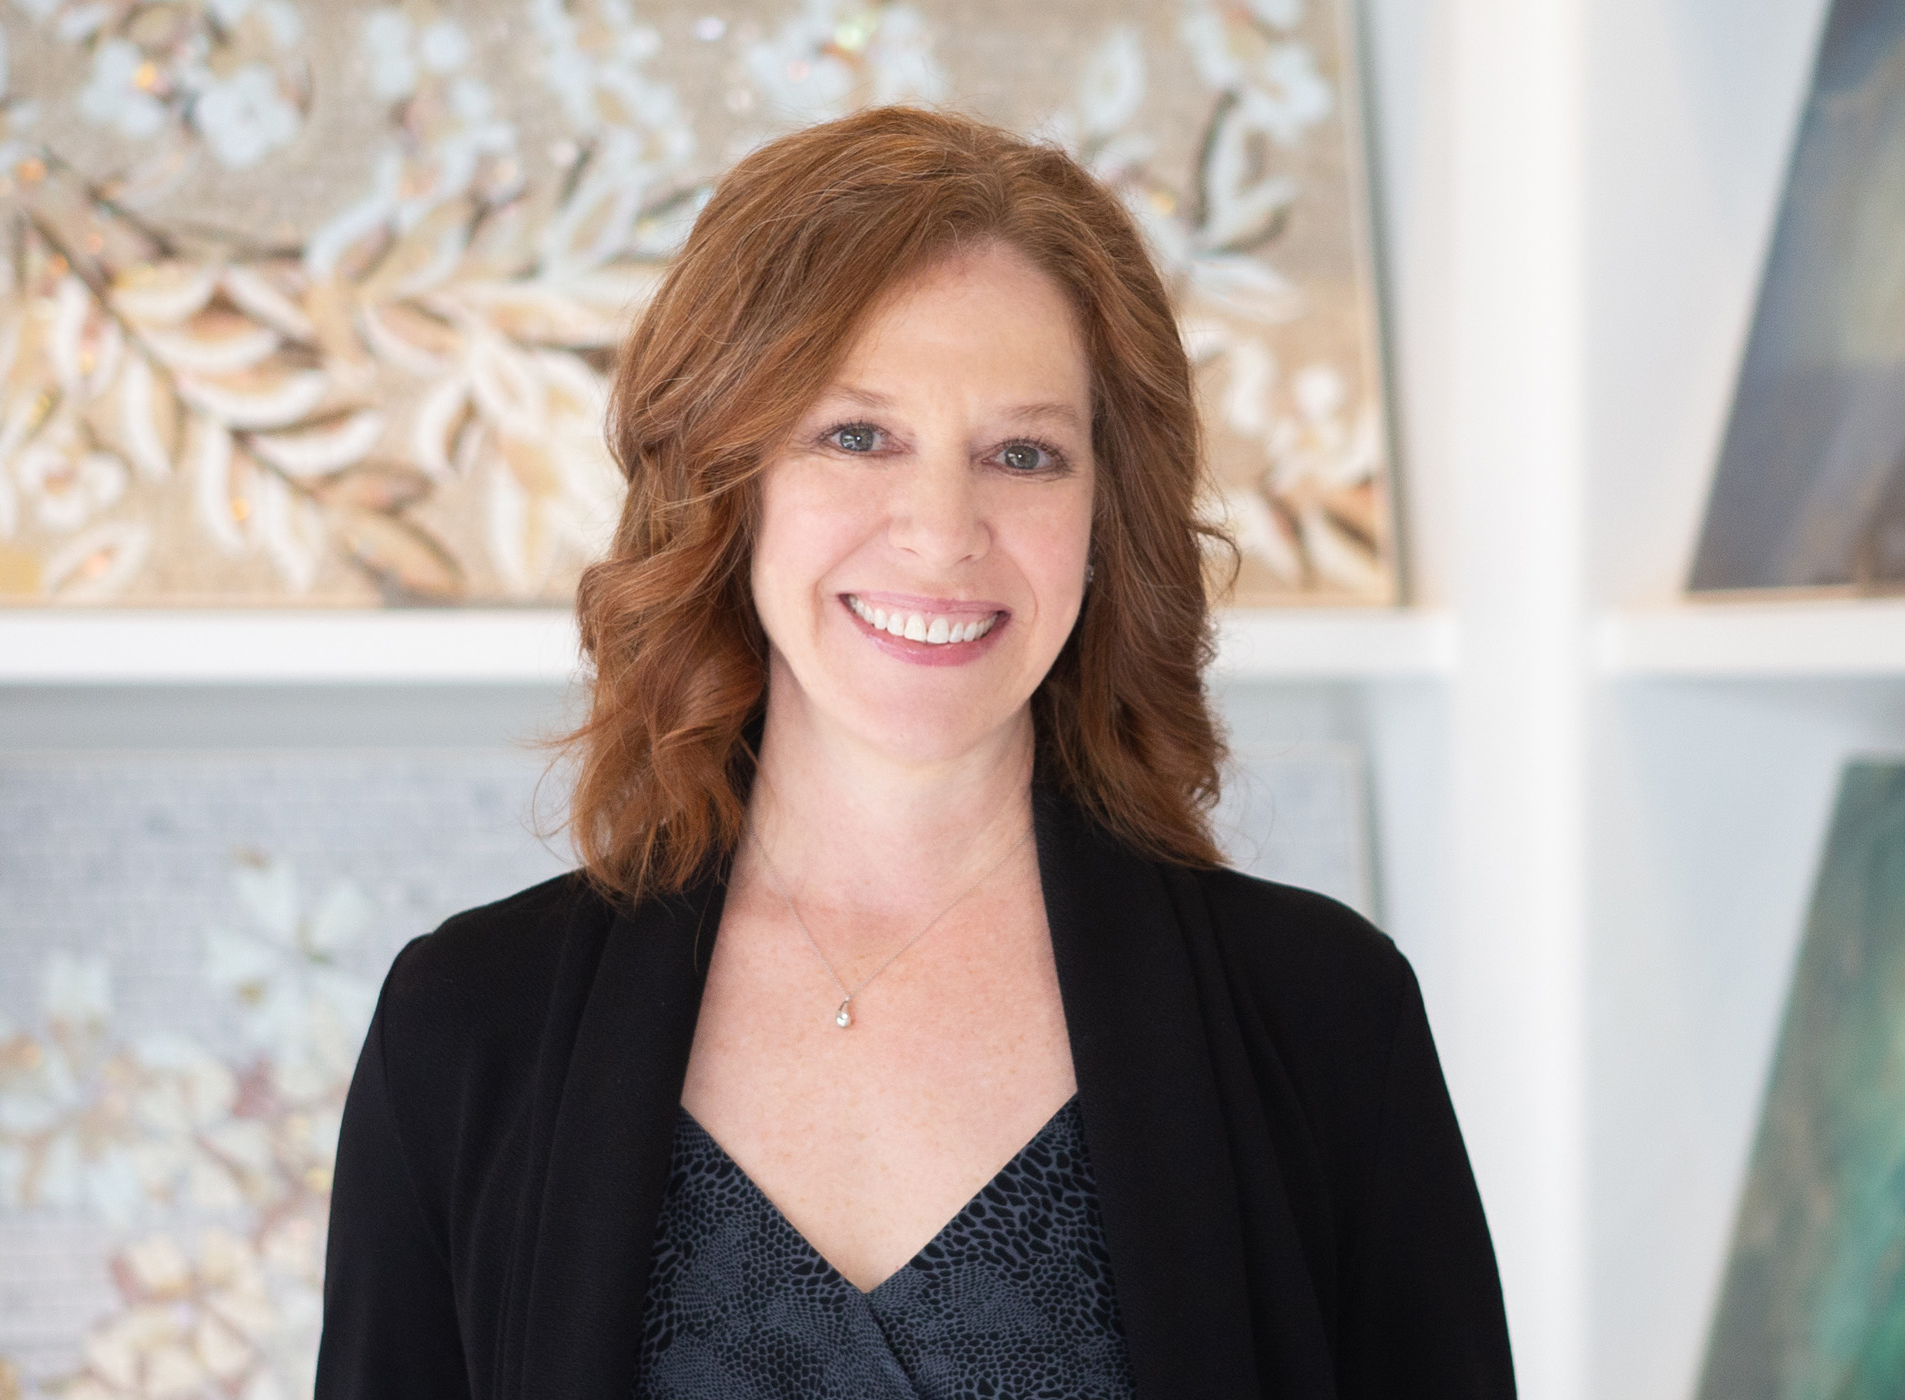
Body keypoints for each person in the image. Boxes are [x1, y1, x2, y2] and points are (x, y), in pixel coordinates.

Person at [315, 105, 1513, 1400]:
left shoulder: (1329, 1022)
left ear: (1110, 517)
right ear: (728, 481)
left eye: (1023, 454)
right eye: (857, 435)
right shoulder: (465, 1031)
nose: (944, 532)